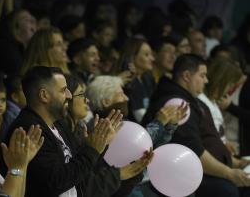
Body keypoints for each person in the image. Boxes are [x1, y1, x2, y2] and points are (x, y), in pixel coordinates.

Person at [142, 54, 250, 197]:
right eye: (202, 75)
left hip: (190, 169)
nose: (206, 80)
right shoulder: (176, 104)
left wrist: (235, 163)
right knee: (227, 190)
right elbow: (193, 150)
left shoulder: (188, 100)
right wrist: (229, 173)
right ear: (187, 76)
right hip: (172, 174)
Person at [2, 66, 114, 197]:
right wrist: (91, 149)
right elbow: (54, 182)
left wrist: (94, 143)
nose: (69, 95)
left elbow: (80, 170)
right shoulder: (29, 130)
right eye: (63, 90)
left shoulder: (59, 124)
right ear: (44, 95)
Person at [86, 75, 187, 197]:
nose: (126, 98)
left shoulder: (125, 122)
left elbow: (152, 149)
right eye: (121, 94)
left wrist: (170, 125)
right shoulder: (102, 127)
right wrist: (159, 122)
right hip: (122, 189)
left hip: (138, 181)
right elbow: (136, 151)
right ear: (106, 101)